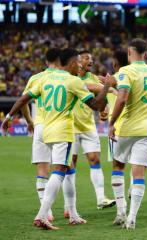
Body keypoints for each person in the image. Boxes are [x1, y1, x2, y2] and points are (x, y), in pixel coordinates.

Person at [2, 48, 111, 229]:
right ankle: (42, 215)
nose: (80, 65)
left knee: (66, 172)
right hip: (62, 131)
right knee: (60, 172)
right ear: (69, 63)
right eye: (77, 62)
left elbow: (23, 99)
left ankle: (73, 214)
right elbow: (97, 105)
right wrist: (107, 86)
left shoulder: (44, 78)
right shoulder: (73, 81)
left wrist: (8, 117)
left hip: (45, 129)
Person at [105, 38, 147, 229]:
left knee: (118, 165)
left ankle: (120, 212)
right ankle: (132, 217)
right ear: (146, 53)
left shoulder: (125, 71)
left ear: (129, 52)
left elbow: (123, 97)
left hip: (126, 128)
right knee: (139, 173)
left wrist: (111, 123)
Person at [67, 50, 115, 214]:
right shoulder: (70, 78)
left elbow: (103, 98)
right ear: (77, 61)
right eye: (87, 58)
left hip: (88, 126)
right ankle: (69, 206)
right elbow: (101, 89)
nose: (91, 61)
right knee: (69, 163)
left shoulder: (94, 78)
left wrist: (105, 109)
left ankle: (101, 199)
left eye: (92, 58)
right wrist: (108, 87)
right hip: (70, 126)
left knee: (95, 160)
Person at [20, 48, 61, 222]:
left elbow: (23, 102)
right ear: (60, 60)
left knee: (42, 169)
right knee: (61, 169)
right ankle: (69, 209)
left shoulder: (35, 78)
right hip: (59, 126)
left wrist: (30, 120)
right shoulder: (65, 78)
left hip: (41, 125)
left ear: (46, 61)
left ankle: (47, 211)